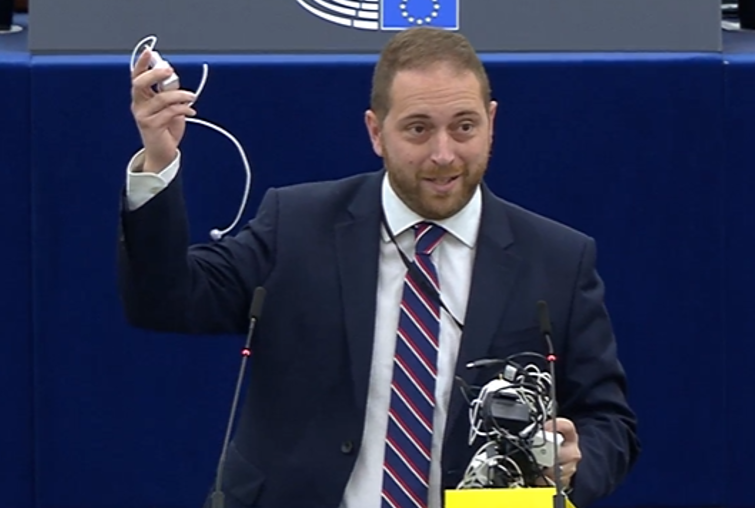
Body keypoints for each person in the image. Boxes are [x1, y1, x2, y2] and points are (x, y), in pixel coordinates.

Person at [118, 26, 639, 508]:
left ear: (492, 122)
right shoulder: (297, 226)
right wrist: (158, 159)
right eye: (417, 129)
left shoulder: (557, 259)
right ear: (376, 131)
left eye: (464, 127)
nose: (443, 154)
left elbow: (608, 423)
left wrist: (576, 462)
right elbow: (164, 299)